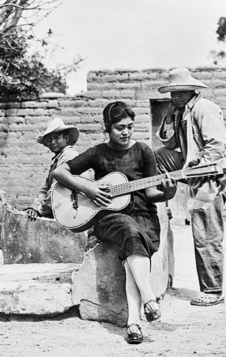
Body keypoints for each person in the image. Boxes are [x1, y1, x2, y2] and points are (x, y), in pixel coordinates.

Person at [53, 101, 176, 344]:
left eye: (130, 126)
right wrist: (88, 188)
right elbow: (60, 173)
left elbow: (151, 193)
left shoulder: (143, 151)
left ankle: (133, 323)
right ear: (107, 128)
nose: (126, 132)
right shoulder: (98, 152)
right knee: (130, 233)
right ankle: (148, 299)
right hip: (108, 217)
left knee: (135, 242)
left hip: (143, 215)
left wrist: (168, 194)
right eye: (120, 127)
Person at [154, 68, 226, 307]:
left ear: (192, 89)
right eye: (173, 93)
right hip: (193, 170)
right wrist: (169, 117)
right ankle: (156, 201)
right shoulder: (180, 112)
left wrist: (200, 168)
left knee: (205, 231)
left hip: (210, 175)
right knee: (156, 156)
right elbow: (168, 143)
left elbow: (216, 145)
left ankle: (213, 290)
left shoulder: (203, 108)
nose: (176, 96)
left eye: (181, 92)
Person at [26, 118, 80, 219]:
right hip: (59, 209)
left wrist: (39, 210)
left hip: (73, 212)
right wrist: (36, 205)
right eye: (49, 139)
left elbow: (56, 191)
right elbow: (45, 189)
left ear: (66, 138)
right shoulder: (58, 160)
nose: (52, 142)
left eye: (56, 138)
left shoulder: (69, 157)